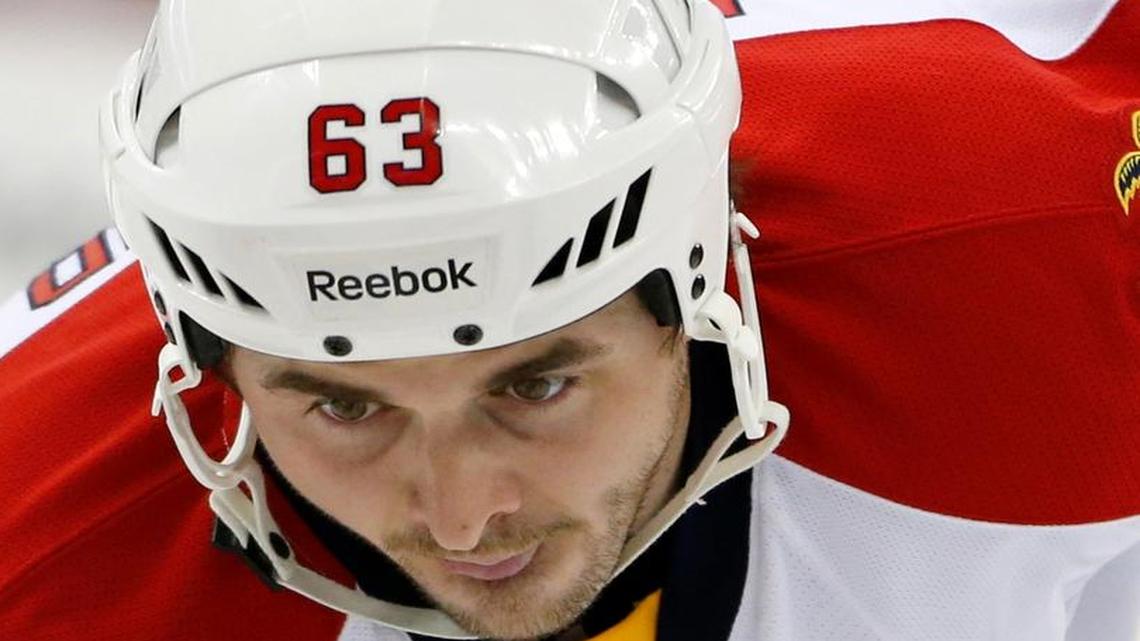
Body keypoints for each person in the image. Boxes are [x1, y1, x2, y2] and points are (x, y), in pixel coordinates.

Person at [1, 1, 1138, 640]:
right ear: (202, 361)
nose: (462, 516)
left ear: (703, 283)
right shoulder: (38, 537)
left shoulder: (1050, 237)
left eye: (533, 383)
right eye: (346, 403)